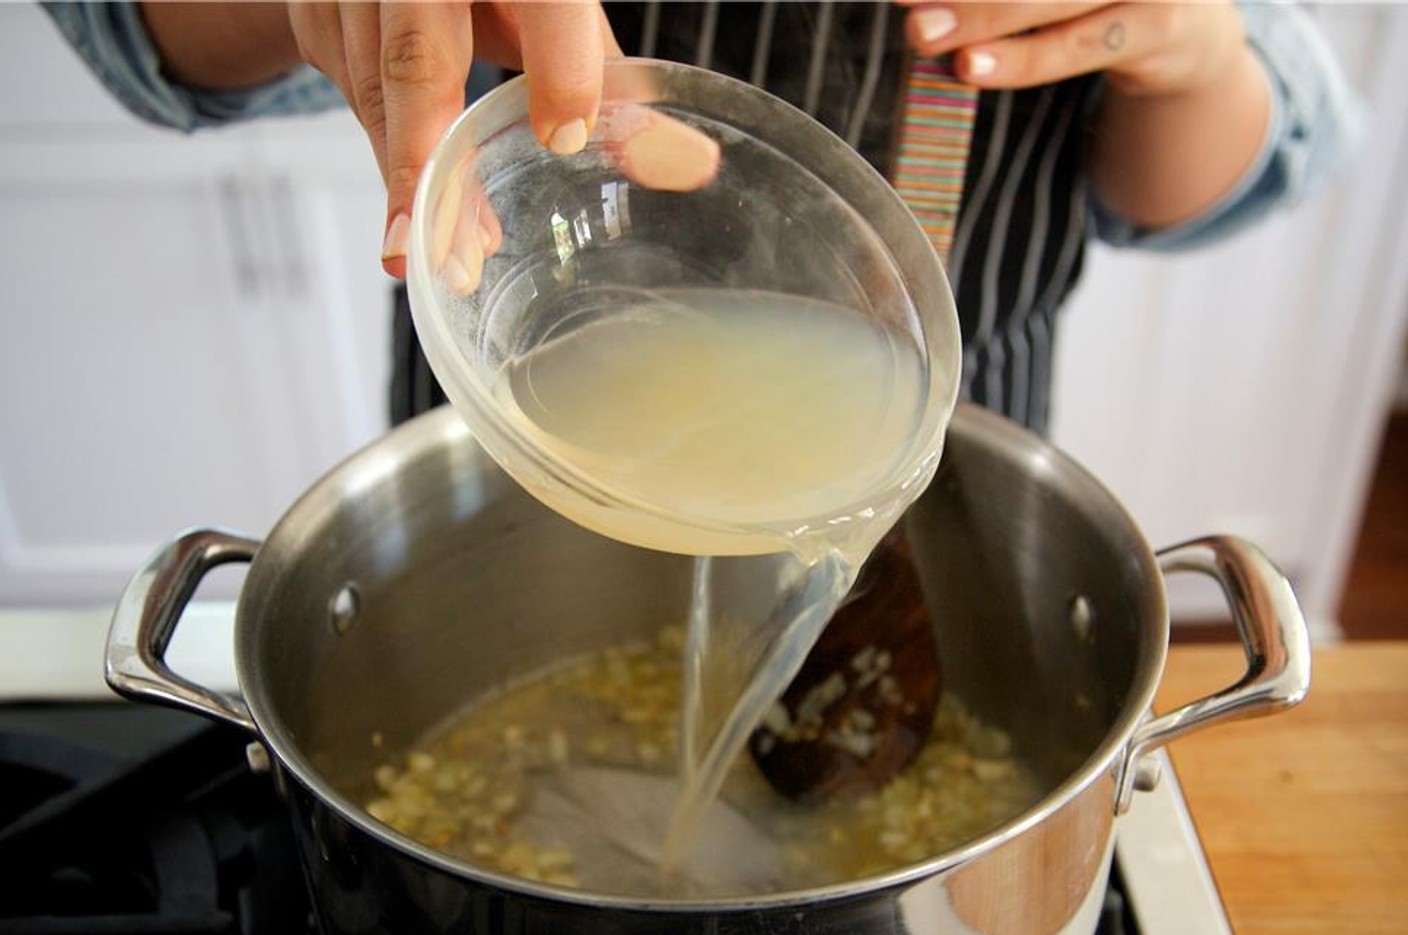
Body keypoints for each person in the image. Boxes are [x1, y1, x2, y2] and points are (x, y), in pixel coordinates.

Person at [44, 0, 1360, 433]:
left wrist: (1186, 47)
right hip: (525, 403)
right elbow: (128, 27)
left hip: (946, 452)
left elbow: (1209, 179)